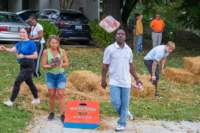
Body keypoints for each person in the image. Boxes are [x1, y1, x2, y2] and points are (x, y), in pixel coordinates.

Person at [101, 29, 142, 131]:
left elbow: (131, 66)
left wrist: (137, 78)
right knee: (115, 102)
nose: (120, 35)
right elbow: (105, 65)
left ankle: (122, 123)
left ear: (125, 36)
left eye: (122, 34)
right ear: (115, 36)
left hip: (126, 82)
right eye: (118, 34)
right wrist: (103, 79)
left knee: (124, 104)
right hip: (114, 81)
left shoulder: (129, 50)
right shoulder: (109, 49)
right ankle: (126, 113)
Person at [0, 28, 40, 107]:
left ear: (27, 34)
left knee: (17, 82)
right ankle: (36, 99)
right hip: (22, 66)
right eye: (20, 32)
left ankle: (11, 101)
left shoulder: (31, 43)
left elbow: (35, 56)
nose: (22, 34)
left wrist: (24, 56)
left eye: (23, 32)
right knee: (30, 83)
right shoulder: (19, 43)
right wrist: (4, 48)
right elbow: (12, 50)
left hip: (29, 66)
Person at [41, 35, 69, 123]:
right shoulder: (46, 52)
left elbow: (67, 63)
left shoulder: (62, 51)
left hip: (61, 75)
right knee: (52, 94)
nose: (54, 44)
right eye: (52, 43)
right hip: (50, 75)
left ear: (58, 43)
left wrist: (61, 65)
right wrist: (51, 66)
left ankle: (62, 114)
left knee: (61, 94)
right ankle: (52, 112)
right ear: (49, 43)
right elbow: (43, 66)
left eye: (56, 43)